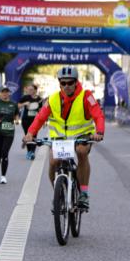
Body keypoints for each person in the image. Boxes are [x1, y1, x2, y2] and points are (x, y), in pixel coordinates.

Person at [23, 65, 105, 210]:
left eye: (70, 82)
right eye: (63, 83)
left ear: (76, 82)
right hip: (60, 137)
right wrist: (30, 133)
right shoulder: (53, 98)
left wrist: (99, 132)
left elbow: (98, 114)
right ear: (59, 83)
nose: (66, 86)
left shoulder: (86, 96)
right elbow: (40, 117)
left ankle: (84, 193)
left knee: (81, 152)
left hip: (82, 135)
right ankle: (57, 193)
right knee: (54, 161)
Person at [17, 83, 42, 160]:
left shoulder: (39, 99)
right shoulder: (25, 97)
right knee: (28, 135)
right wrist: (24, 103)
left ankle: (32, 152)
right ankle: (28, 151)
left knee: (34, 136)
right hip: (26, 120)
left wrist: (43, 121)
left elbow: (42, 110)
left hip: (35, 121)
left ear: (35, 90)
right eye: (28, 89)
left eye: (31, 89)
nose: (29, 91)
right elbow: (17, 105)